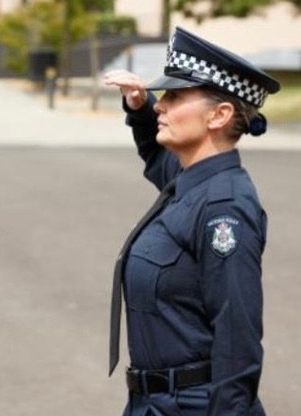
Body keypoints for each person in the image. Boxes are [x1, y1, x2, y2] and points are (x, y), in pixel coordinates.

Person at [104, 26, 280, 416]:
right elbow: (157, 157)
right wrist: (141, 108)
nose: (161, 106)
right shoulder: (192, 178)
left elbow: (238, 336)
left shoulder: (224, 207)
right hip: (154, 403)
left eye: (175, 96)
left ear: (219, 115)